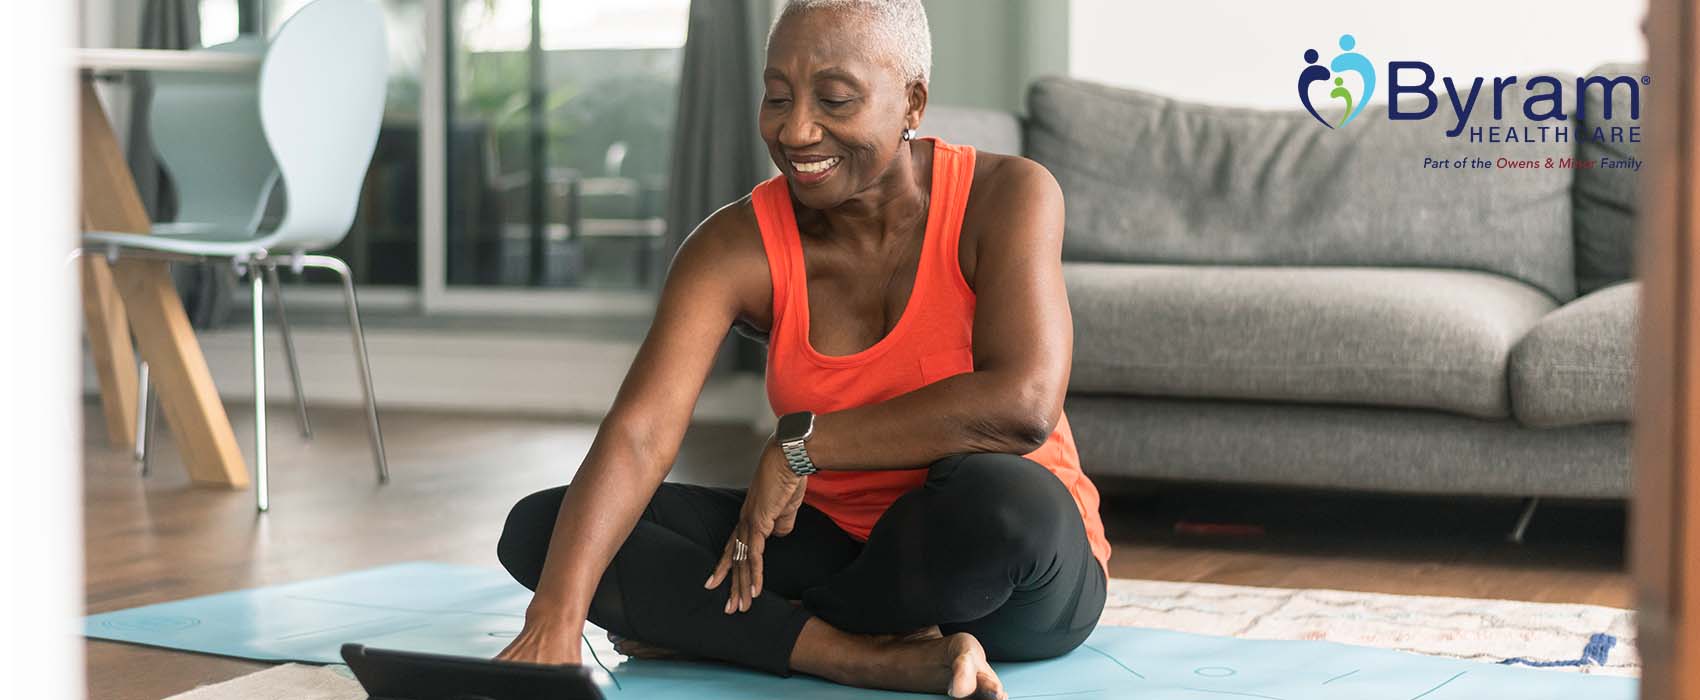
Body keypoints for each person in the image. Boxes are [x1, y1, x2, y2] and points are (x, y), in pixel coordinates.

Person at [493, 1, 1110, 697]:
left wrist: (803, 444)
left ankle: (748, 635)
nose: (796, 130)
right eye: (777, 97)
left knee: (1004, 501)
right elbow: (640, 434)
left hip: (1002, 575)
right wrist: (554, 620)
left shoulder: (1008, 195)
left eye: (835, 99)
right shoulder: (734, 245)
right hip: (831, 545)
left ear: (913, 102)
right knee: (547, 531)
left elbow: (1023, 405)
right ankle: (868, 656)